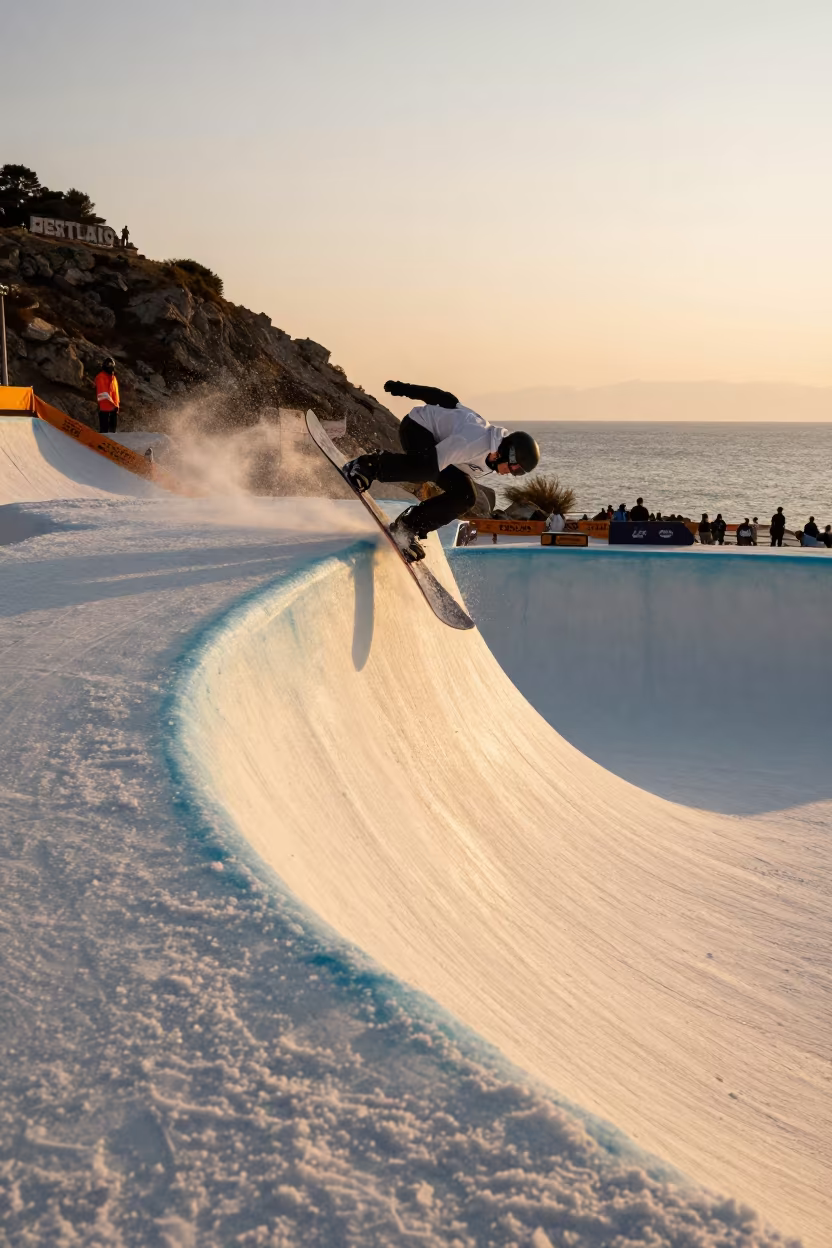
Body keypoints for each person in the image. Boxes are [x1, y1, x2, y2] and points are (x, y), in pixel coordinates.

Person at [344, 380, 540, 560]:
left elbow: (448, 400)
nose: (512, 474)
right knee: (425, 470)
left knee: (466, 497)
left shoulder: (493, 449)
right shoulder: (473, 441)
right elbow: (435, 461)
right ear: (508, 453)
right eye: (516, 469)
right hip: (417, 428)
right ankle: (367, 466)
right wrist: (404, 388)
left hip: (439, 443)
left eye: (519, 473)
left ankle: (407, 526)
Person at [94, 357, 120, 434]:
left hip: (113, 409)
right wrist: (113, 405)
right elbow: (103, 393)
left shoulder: (113, 378)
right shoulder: (100, 377)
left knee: (112, 433)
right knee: (104, 432)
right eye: (108, 364)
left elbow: (116, 394)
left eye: (111, 365)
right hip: (104, 409)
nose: (110, 366)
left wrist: (117, 406)